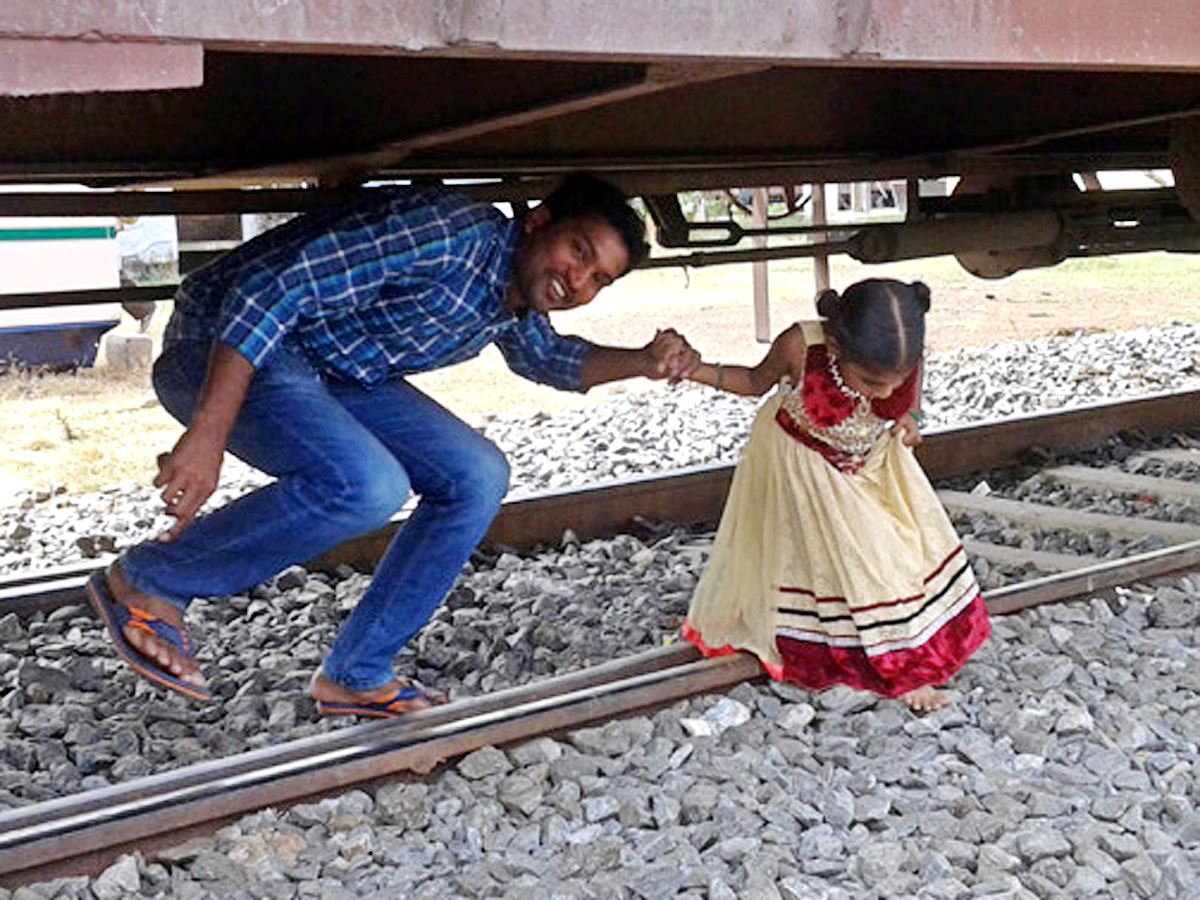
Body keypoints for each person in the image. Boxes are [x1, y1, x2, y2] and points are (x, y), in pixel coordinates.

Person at [86, 174, 700, 717]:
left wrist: (643, 362)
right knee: (367, 485)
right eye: (578, 252)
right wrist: (207, 436)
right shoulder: (450, 233)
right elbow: (267, 290)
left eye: (599, 279)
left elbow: (545, 357)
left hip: (331, 369)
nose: (578, 280)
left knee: (478, 475)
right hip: (219, 341)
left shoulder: (510, 295)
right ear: (538, 223)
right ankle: (151, 580)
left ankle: (355, 674)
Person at [681, 278, 990, 712]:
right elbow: (753, 381)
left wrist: (911, 416)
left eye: (893, 383)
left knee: (901, 549)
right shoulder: (800, 345)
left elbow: (908, 392)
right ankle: (895, 670)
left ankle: (891, 645)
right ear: (834, 345)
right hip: (804, 460)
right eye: (870, 382)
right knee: (848, 557)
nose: (884, 393)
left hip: (871, 461)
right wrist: (693, 370)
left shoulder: (902, 349)